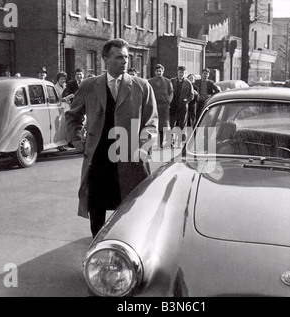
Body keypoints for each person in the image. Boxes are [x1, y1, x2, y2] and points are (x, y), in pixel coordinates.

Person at [65, 38, 158, 238]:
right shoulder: (90, 86)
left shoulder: (142, 86)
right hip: (98, 159)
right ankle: (97, 248)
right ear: (105, 59)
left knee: (131, 209)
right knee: (96, 208)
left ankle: (126, 249)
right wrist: (76, 140)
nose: (124, 62)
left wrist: (144, 145)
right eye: (119, 58)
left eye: (126, 57)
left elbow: (151, 122)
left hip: (130, 158)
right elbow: (72, 115)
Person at [148, 64, 173, 147]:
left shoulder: (167, 81)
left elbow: (171, 92)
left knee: (166, 124)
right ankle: (158, 142)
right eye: (157, 71)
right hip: (155, 105)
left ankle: (170, 141)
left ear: (163, 71)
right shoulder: (150, 81)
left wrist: (169, 101)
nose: (159, 73)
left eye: (160, 71)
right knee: (156, 125)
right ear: (155, 72)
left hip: (164, 106)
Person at [170, 66, 194, 131]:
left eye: (182, 72)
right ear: (177, 72)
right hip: (174, 105)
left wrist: (186, 100)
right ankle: (171, 139)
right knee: (171, 123)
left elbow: (191, 95)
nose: (181, 74)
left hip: (183, 106)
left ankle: (182, 139)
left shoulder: (188, 82)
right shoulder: (172, 81)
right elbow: (169, 92)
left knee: (182, 124)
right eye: (180, 72)